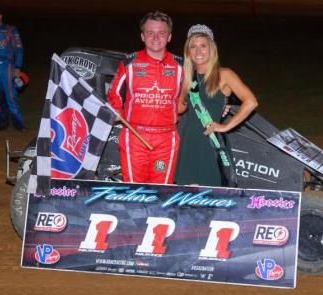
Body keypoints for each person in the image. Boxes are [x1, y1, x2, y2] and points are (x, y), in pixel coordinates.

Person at [175, 24, 258, 186]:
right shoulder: (186, 77)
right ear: (188, 52)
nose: (198, 51)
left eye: (203, 46)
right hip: (189, 142)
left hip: (211, 142)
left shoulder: (224, 74)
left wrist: (225, 126)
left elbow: (251, 102)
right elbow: (180, 108)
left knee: (210, 196)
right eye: (193, 46)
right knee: (187, 198)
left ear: (211, 49)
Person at [107, 11, 183, 184]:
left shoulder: (181, 66)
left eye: (161, 33)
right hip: (134, 136)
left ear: (169, 37)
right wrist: (116, 109)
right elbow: (114, 92)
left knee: (161, 189)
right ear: (142, 36)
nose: (155, 37)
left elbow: (194, 94)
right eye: (150, 33)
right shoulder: (130, 63)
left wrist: (222, 103)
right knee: (135, 189)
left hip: (166, 139)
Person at [0, 7, 26, 131]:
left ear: (0, 16)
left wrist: (18, 66)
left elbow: (18, 49)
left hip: (6, 66)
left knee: (11, 97)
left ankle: (19, 124)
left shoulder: (11, 30)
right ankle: (2, 123)